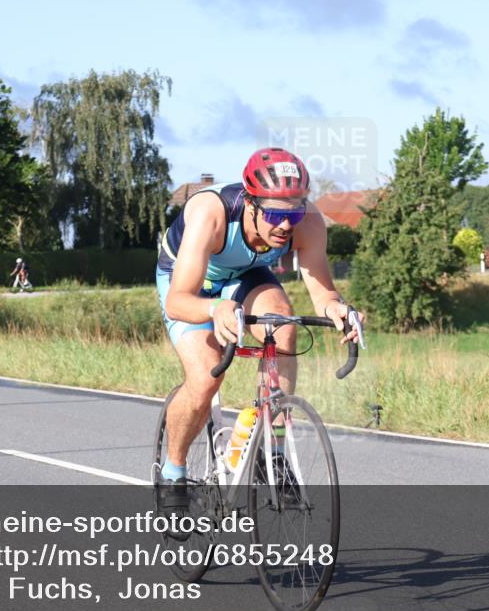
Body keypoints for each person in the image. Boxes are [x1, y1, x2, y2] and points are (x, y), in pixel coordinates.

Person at [154, 147, 365, 506]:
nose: (285, 225)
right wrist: (215, 308)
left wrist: (337, 308)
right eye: (275, 214)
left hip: (245, 276)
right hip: (189, 284)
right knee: (205, 378)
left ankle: (272, 453)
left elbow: (323, 293)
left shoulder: (309, 222)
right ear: (250, 203)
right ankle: (173, 475)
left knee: (284, 327)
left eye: (294, 213)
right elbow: (178, 301)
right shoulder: (211, 213)